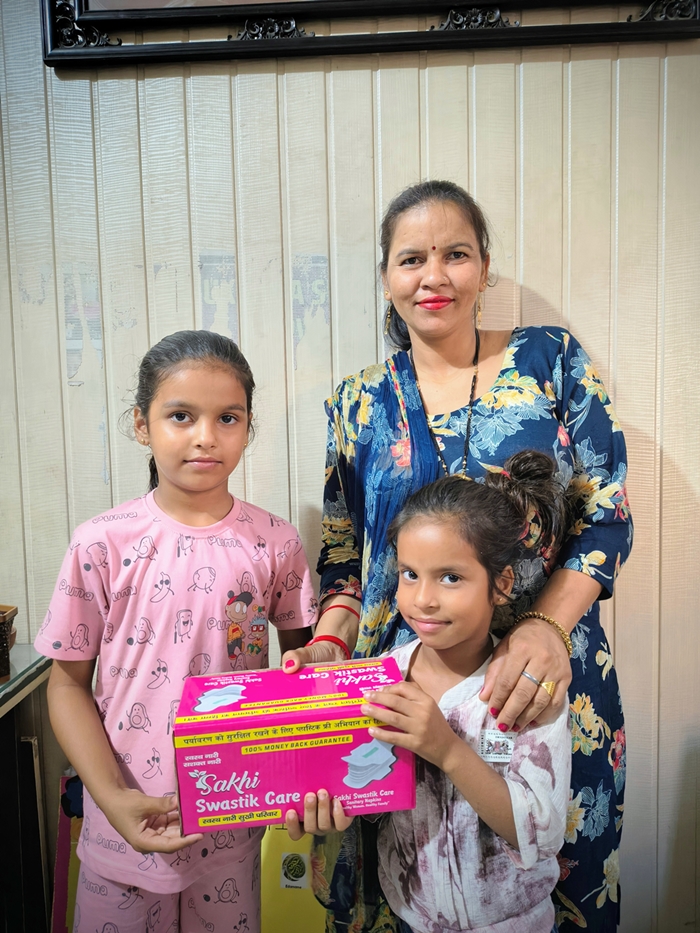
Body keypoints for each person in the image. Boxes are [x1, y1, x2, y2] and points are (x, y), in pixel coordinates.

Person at [283, 181, 632, 932]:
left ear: (484, 268)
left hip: (538, 686)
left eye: (456, 254)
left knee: (546, 877)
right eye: (412, 258)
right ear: (386, 275)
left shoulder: (551, 361)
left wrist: (545, 625)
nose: (433, 275)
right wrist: (328, 646)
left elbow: (607, 518)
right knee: (413, 884)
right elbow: (344, 560)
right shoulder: (357, 402)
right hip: (402, 699)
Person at [36, 330, 317, 933]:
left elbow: (303, 682)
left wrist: (299, 785)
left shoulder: (276, 542)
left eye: (228, 417)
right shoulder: (101, 542)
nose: (205, 436)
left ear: (248, 426)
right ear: (143, 425)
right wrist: (112, 798)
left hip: (233, 823)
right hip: (125, 823)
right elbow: (66, 686)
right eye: (181, 416)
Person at [288, 450, 573, 933]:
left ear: (500, 583)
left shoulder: (524, 690)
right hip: (409, 918)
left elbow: (541, 837)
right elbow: (361, 793)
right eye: (410, 574)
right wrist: (331, 809)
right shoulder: (380, 680)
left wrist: (448, 750)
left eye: (451, 577)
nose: (422, 599)